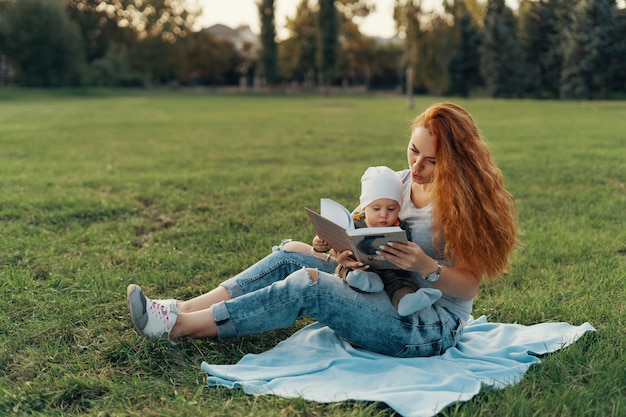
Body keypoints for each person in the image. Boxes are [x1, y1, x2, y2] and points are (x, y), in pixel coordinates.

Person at [126, 102, 518, 358]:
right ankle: (180, 307)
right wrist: (339, 247)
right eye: (414, 152)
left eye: (431, 162)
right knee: (292, 253)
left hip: (427, 323)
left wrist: (425, 265)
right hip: (379, 286)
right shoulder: (397, 183)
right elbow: (357, 226)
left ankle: (180, 328)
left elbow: (468, 287)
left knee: (310, 283)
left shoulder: (464, 206)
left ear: (456, 161)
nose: (416, 168)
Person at [323, 165, 443, 316]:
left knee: (402, 282)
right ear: (364, 207)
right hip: (358, 268)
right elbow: (335, 244)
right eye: (376, 209)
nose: (384, 215)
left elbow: (407, 250)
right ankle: (363, 281)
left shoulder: (400, 227)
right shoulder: (354, 223)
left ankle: (406, 301)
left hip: (392, 271)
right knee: (344, 269)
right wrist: (325, 244)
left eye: (391, 209)